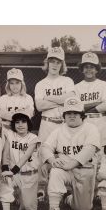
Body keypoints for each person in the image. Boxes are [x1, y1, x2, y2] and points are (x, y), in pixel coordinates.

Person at [41, 97, 100, 210]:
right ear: (64, 115)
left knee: (84, 209)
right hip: (64, 169)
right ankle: (54, 209)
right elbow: (45, 147)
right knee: (56, 172)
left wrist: (71, 164)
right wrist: (52, 160)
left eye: (75, 113)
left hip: (85, 170)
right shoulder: (58, 130)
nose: (71, 116)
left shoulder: (91, 128)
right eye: (68, 113)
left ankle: (68, 198)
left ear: (82, 115)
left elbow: (89, 150)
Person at [34, 47, 75, 200]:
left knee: (65, 154)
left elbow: (71, 99)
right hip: (47, 123)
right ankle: (41, 188)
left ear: (62, 64)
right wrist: (61, 101)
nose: (55, 64)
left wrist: (49, 100)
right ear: (47, 62)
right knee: (44, 155)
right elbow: (39, 106)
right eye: (52, 60)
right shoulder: (41, 84)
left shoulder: (67, 80)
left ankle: (65, 186)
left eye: (58, 61)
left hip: (63, 124)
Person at [0, 111, 40, 210]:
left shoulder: (33, 137)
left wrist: (12, 171)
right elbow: (5, 154)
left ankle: (18, 196)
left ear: (29, 123)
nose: (20, 125)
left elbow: (25, 156)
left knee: (28, 208)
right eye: (17, 122)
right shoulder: (10, 134)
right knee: (5, 180)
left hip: (29, 175)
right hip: (14, 175)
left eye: (23, 122)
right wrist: (5, 170)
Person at [75, 52, 106, 144]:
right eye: (86, 67)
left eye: (92, 67)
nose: (89, 70)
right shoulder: (77, 87)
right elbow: (77, 109)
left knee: (102, 151)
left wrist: (85, 107)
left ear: (96, 69)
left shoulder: (103, 84)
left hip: (101, 121)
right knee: (86, 150)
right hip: (84, 122)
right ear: (82, 69)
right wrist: (97, 103)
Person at [0, 68, 34, 136]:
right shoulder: (4, 98)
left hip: (23, 133)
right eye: (12, 83)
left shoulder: (28, 98)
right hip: (7, 132)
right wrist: (20, 115)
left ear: (22, 83)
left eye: (17, 83)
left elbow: (30, 113)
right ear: (8, 85)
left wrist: (10, 118)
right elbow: (1, 113)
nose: (15, 86)